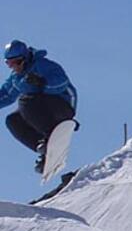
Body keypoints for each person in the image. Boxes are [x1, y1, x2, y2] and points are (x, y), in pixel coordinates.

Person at [1, 40, 78, 173]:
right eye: (9, 63)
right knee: (12, 120)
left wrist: (42, 83)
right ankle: (44, 149)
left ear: (25, 58)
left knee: (26, 100)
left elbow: (62, 82)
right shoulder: (17, 78)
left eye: (17, 62)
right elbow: (6, 95)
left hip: (62, 105)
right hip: (42, 111)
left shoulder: (42, 65)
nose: (14, 67)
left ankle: (50, 136)